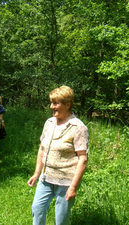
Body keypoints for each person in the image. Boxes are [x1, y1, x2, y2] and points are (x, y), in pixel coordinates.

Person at [27, 86, 89, 225]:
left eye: (55, 103)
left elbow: (83, 159)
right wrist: (37, 173)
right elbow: (42, 149)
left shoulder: (78, 127)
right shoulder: (49, 123)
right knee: (37, 209)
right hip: (46, 177)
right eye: (51, 103)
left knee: (61, 220)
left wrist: (73, 186)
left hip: (66, 181)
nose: (51, 106)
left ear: (67, 105)